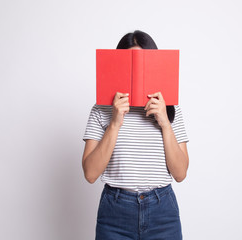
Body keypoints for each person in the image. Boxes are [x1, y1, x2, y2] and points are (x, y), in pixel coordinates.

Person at [82, 30, 189, 240]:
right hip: (115, 212)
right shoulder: (101, 109)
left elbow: (180, 173)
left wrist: (165, 123)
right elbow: (90, 174)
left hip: (162, 212)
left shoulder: (170, 109)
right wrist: (115, 122)